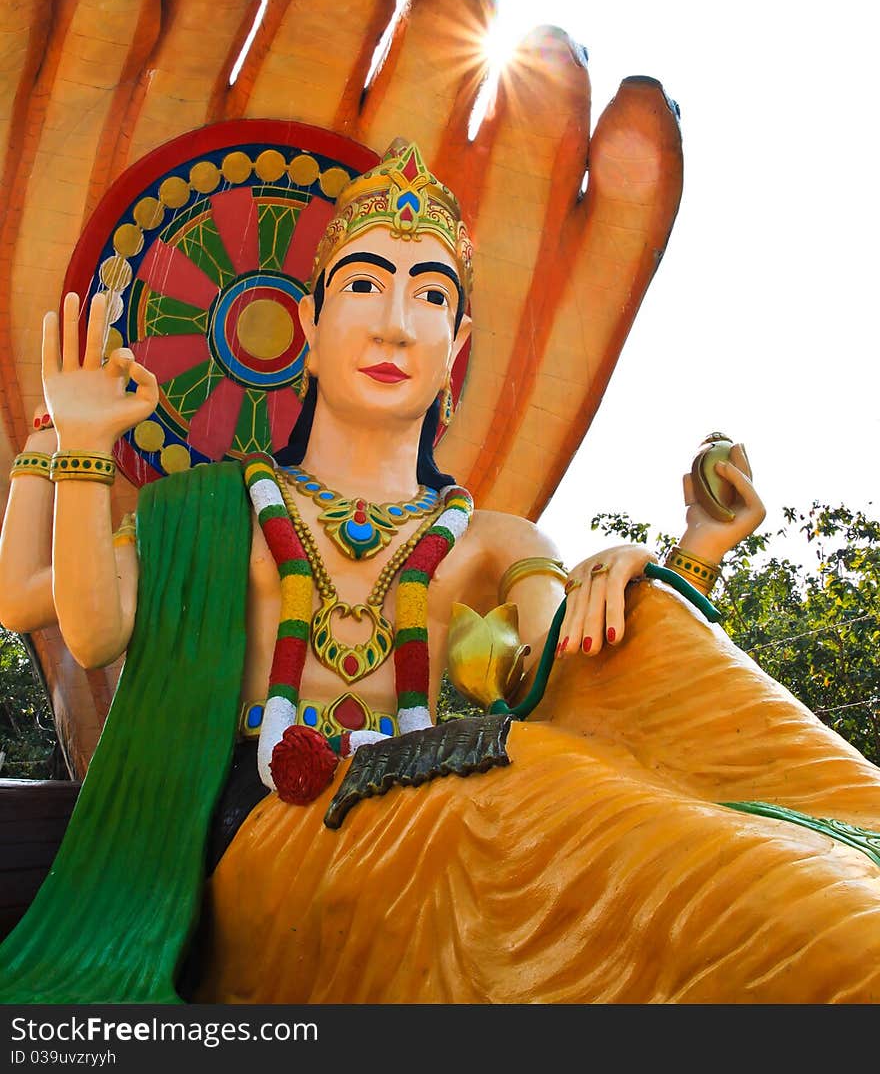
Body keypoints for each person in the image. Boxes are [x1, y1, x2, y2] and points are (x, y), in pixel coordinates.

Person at [2, 141, 879, 1005]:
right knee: (524, 798)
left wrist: (669, 565)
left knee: (567, 780)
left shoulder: (495, 540)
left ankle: (829, 887)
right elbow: (82, 625)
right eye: (364, 284)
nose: (395, 323)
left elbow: (565, 671)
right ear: (307, 326)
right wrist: (68, 444)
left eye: (429, 296)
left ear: (455, 345)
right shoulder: (215, 512)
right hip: (263, 831)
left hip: (432, 789)